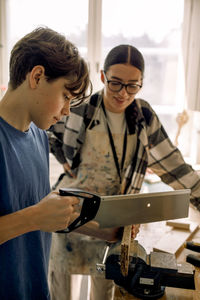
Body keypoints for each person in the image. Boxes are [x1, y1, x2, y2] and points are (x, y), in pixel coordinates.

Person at [48, 43, 200, 300]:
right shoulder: (80, 107)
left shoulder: (144, 117)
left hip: (113, 225)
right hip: (71, 219)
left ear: (141, 83)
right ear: (103, 77)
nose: (123, 93)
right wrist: (64, 158)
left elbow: (175, 167)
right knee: (61, 291)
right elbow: (47, 132)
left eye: (133, 85)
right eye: (115, 83)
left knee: (104, 290)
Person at [0, 26, 102, 300]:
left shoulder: (38, 137)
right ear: (36, 76)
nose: (67, 111)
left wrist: (106, 228)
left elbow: (38, 212)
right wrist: (34, 217)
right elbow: (33, 216)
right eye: (66, 96)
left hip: (33, 289)